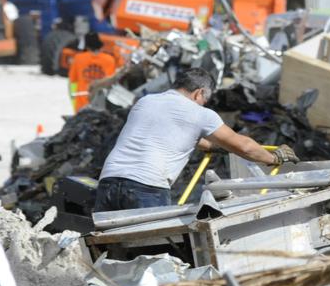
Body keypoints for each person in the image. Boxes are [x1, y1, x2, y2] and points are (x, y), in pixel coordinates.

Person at [95, 67, 299, 212]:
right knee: (152, 256)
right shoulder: (201, 114)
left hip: (108, 182)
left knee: (110, 254)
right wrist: (274, 158)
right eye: (205, 99)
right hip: (146, 188)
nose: (204, 104)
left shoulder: (146, 101)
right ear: (199, 93)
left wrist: (211, 146)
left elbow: (170, 134)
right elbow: (244, 146)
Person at [68, 32, 117, 112]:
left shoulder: (78, 58)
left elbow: (72, 81)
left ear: (86, 45)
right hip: (102, 102)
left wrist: (73, 98)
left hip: (82, 101)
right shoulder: (110, 60)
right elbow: (112, 81)